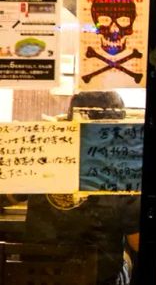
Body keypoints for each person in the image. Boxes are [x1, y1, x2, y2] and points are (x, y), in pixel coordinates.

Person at [19, 91, 141, 285]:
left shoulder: (42, 153)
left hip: (37, 276)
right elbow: (138, 240)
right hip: (97, 278)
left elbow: (8, 195)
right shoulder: (121, 167)